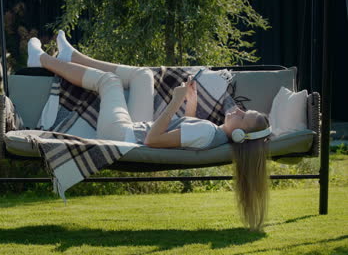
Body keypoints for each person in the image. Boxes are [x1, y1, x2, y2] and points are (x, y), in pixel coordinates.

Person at [28, 30, 271, 231]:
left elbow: (154, 140)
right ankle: (71, 55)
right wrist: (192, 101)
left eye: (242, 117)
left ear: (240, 135)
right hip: (135, 129)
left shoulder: (209, 133)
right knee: (143, 75)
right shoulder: (212, 133)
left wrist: (176, 102)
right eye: (242, 110)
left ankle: (41, 59)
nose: (238, 110)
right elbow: (188, 132)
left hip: (121, 134)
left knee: (109, 82)